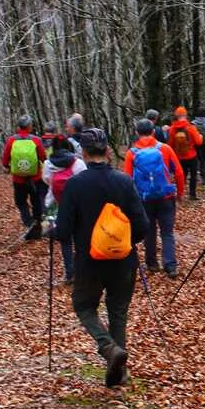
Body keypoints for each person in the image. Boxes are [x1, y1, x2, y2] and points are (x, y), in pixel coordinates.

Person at [53, 128, 149, 388]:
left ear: (83, 153)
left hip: (89, 262)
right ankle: (120, 372)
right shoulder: (124, 181)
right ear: (107, 151)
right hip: (123, 261)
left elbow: (63, 231)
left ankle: (108, 348)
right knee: (117, 312)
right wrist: (123, 242)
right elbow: (142, 226)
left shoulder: (75, 185)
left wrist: (52, 231)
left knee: (84, 306)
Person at [124, 119, 185, 278]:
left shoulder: (132, 153)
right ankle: (170, 266)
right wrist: (180, 193)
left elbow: (127, 179)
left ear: (137, 133)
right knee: (167, 232)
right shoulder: (165, 149)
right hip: (166, 196)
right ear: (153, 131)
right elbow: (179, 173)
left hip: (144, 200)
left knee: (149, 231)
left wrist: (130, 201)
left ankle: (152, 264)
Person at [42, 135, 87, 284]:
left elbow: (46, 180)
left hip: (55, 204)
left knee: (64, 239)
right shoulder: (77, 163)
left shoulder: (48, 163)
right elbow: (83, 180)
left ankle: (70, 273)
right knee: (79, 237)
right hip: (77, 203)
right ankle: (82, 270)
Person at [0, 115, 48, 239]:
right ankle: (37, 228)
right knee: (36, 202)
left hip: (18, 179)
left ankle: (29, 222)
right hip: (35, 178)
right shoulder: (36, 140)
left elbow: (5, 158)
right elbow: (43, 157)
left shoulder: (11, 140)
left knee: (21, 202)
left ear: (19, 126)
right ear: (29, 126)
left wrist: (7, 166)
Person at [167, 106, 204, 200]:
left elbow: (170, 144)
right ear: (186, 115)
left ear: (176, 116)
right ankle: (192, 194)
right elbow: (198, 142)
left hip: (179, 157)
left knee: (181, 175)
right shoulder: (191, 127)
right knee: (193, 176)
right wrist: (201, 136)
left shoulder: (172, 129)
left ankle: (180, 194)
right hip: (192, 155)